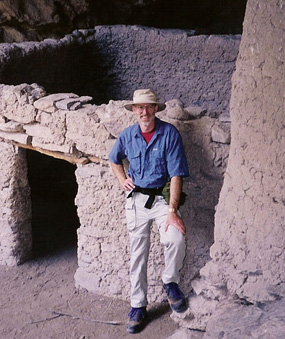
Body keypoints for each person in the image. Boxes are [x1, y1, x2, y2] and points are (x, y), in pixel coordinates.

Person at [108, 89, 189, 334]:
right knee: (138, 253)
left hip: (161, 199)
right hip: (136, 200)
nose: (144, 112)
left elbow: (176, 175)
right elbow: (114, 160)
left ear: (155, 109)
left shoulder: (169, 134)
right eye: (139, 107)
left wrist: (173, 210)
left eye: (149, 107)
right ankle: (138, 305)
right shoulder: (128, 136)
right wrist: (122, 179)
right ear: (134, 110)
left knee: (175, 238)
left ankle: (170, 281)